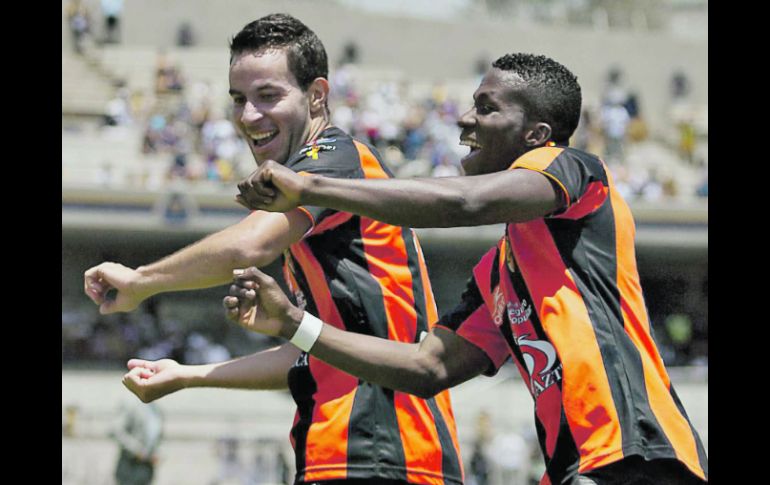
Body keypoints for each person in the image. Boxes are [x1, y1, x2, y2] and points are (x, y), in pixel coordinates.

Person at [228, 53, 708, 484]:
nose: (465, 119)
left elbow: (464, 203)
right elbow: (426, 365)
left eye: (486, 107)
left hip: (640, 455)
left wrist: (310, 187)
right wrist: (296, 325)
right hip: (578, 467)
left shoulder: (576, 171)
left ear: (535, 136)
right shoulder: (499, 272)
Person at [85, 14, 463, 485]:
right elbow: (311, 354)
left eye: (268, 96)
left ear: (317, 95)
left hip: (388, 449)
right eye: (239, 99)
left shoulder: (336, 162)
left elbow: (248, 244)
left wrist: (141, 282)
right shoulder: (311, 222)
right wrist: (189, 375)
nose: (248, 116)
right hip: (345, 452)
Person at [110, 400, 163, 485]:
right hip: (130, 465)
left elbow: (159, 436)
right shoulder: (131, 404)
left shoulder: (156, 409)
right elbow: (116, 430)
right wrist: (137, 450)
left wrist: (157, 454)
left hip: (147, 467)